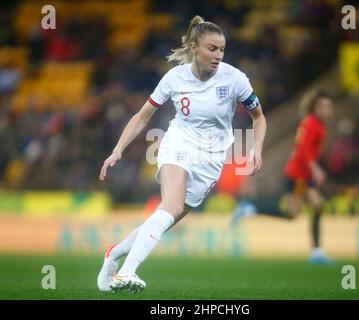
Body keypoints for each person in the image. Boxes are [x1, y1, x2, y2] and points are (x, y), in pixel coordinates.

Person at [97, 15, 267, 293]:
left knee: (166, 217)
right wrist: (118, 150)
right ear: (193, 48)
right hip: (177, 145)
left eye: (222, 49)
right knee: (171, 206)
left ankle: (114, 253)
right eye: (212, 48)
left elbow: (259, 118)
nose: (218, 55)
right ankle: (126, 273)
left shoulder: (235, 79)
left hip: (211, 160)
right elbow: (142, 117)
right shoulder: (174, 78)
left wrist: (256, 148)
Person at [231, 89, 334, 264]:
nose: (326, 109)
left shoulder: (317, 124)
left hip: (305, 176)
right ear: (314, 108)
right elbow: (303, 150)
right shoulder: (311, 124)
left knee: (315, 206)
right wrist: (316, 168)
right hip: (299, 175)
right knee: (293, 213)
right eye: (322, 106)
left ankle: (317, 252)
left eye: (328, 106)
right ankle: (250, 208)